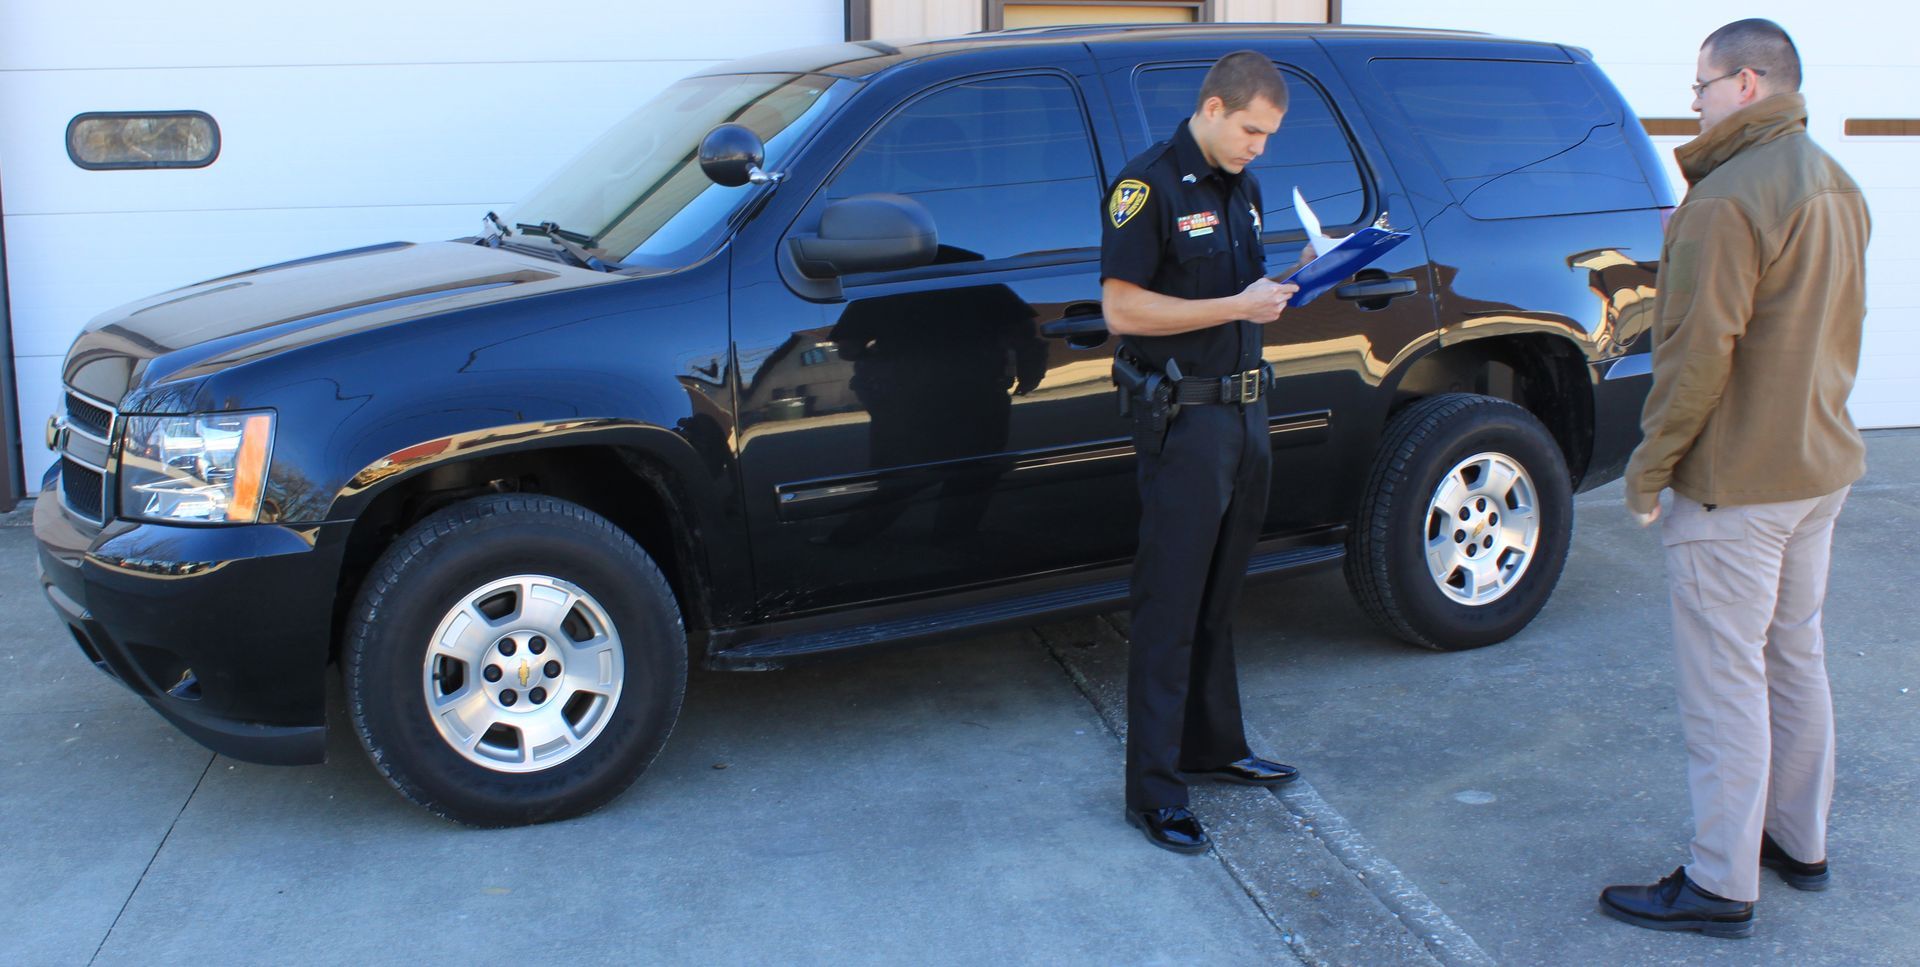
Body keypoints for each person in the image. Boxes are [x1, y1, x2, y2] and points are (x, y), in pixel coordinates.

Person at [1599, 19, 1870, 938]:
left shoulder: (1728, 200)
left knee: (1726, 681)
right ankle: (1799, 840)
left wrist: (1650, 469)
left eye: (1703, 85)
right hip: (1817, 467)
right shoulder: (1836, 181)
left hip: (1739, 483)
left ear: (1748, 83)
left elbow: (1694, 355)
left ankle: (1721, 881)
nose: (1696, 101)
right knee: (1793, 656)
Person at [1099, 50, 1310, 854]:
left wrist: (1291, 284)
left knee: (1222, 595)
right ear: (1214, 107)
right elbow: (1121, 308)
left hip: (1246, 415)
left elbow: (1240, 298)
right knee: (1170, 606)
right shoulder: (1147, 184)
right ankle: (1155, 790)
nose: (1260, 147)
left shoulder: (1242, 187)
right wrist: (1235, 303)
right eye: (1252, 130)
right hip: (1185, 424)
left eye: (1270, 135)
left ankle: (1213, 746)